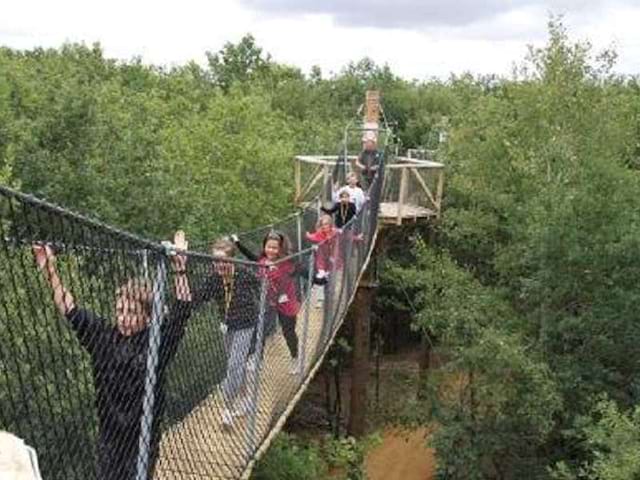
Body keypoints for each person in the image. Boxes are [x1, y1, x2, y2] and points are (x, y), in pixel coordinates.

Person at [32, 231, 193, 480]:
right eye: (120, 310)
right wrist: (49, 269)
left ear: (148, 317)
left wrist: (180, 269)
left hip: (142, 443)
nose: (123, 317)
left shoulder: (156, 343)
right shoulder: (103, 337)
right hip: (109, 440)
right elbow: (69, 307)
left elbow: (182, 310)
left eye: (130, 311)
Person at [191, 237, 262, 427]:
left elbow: (261, 283)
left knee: (234, 365)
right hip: (227, 325)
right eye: (215, 260)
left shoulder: (243, 273)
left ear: (232, 259)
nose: (219, 264)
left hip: (246, 324)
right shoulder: (214, 279)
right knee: (236, 364)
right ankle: (246, 397)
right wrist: (175, 307)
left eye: (223, 260)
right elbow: (197, 298)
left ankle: (227, 409)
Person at [232, 231, 302, 375]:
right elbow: (250, 256)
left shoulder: (287, 263)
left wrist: (317, 277)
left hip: (286, 303)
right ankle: (257, 359)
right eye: (268, 247)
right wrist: (237, 242)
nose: (271, 250)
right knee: (260, 330)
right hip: (269, 302)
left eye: (275, 248)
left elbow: (302, 269)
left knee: (288, 333)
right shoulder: (262, 262)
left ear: (280, 249)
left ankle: (295, 358)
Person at [305, 214, 341, 285]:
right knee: (320, 250)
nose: (324, 226)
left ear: (330, 224)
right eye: (322, 225)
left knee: (334, 282)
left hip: (334, 258)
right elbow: (312, 237)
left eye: (326, 224)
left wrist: (356, 238)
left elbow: (346, 236)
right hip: (324, 257)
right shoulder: (320, 234)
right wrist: (307, 235)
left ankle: (327, 273)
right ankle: (322, 271)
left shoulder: (335, 232)